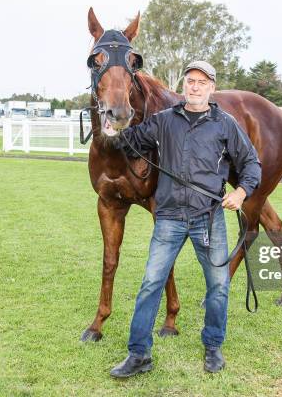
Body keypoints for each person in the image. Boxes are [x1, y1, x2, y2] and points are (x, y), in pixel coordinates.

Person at [108, 61, 261, 378]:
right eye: (190, 81)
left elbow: (251, 164)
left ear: (211, 88)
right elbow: (131, 141)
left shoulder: (225, 124)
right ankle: (139, 355)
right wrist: (114, 127)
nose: (195, 86)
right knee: (151, 284)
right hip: (169, 219)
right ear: (185, 85)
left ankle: (213, 346)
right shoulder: (165, 121)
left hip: (209, 218)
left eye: (202, 82)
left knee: (218, 286)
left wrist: (242, 192)